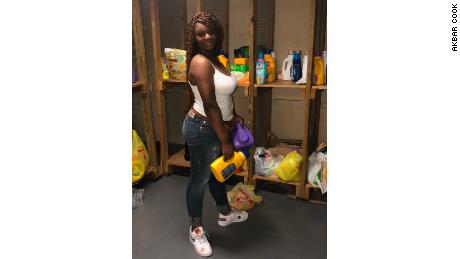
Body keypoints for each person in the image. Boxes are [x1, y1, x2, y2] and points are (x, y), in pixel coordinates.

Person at [182, 11, 248, 257]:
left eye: (211, 31)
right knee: (199, 180)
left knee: (218, 175)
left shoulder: (218, 59)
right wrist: (224, 139)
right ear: (194, 37)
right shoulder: (200, 62)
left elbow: (225, 96)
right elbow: (210, 104)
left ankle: (224, 213)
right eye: (201, 33)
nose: (207, 36)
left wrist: (235, 117)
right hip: (202, 128)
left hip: (221, 126)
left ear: (218, 33)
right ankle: (196, 229)